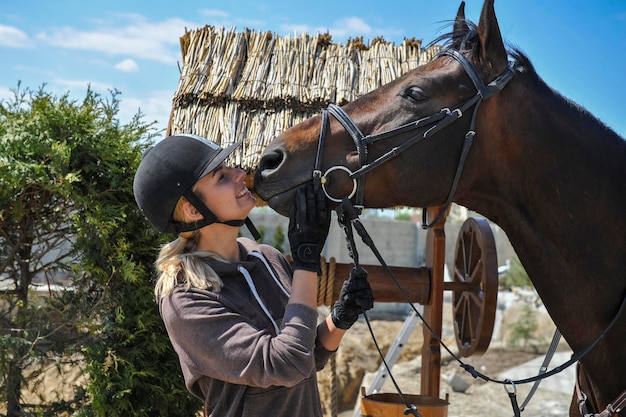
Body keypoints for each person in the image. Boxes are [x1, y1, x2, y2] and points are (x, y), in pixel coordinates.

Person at [133, 133, 374, 417]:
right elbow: (287, 363)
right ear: (192, 209)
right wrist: (305, 260)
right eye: (221, 176)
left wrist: (340, 319)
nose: (239, 174)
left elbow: (306, 357)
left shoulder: (267, 258)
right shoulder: (186, 299)